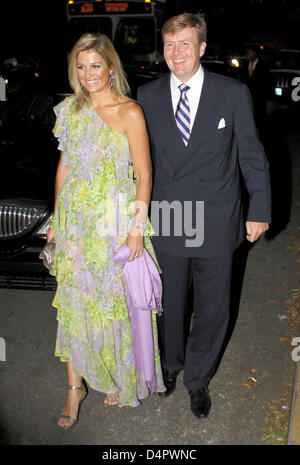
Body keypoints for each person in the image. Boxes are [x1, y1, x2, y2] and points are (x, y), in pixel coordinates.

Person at [137, 14, 271, 419]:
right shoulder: (146, 95)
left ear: (201, 48)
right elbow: (134, 164)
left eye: (184, 44)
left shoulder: (231, 93)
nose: (176, 53)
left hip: (215, 213)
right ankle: (171, 364)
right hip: (170, 213)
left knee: (213, 306)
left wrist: (259, 209)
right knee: (170, 301)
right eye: (169, 44)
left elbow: (251, 155)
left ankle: (198, 377)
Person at [47, 33, 165, 429]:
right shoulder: (68, 110)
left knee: (113, 308)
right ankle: (73, 389)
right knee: (75, 303)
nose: (88, 74)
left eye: (95, 65)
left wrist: (136, 230)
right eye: (81, 67)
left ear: (111, 68)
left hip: (113, 223)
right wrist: (56, 219)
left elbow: (145, 176)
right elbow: (64, 168)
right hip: (76, 224)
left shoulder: (130, 112)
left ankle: (115, 373)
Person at [239, 45, 270, 132]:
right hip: (247, 100)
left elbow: (266, 83)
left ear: (254, 53)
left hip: (259, 100)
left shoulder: (263, 66)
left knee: (259, 122)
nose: (246, 56)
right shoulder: (244, 66)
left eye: (248, 53)